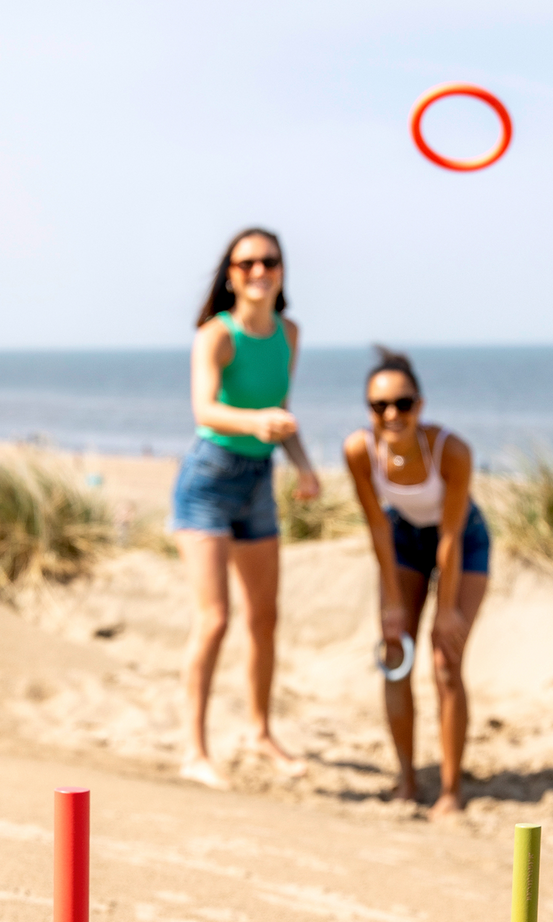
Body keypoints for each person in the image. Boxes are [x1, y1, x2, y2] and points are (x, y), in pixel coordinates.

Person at [169, 227, 320, 790]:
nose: (259, 271)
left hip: (259, 479)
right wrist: (256, 422)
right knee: (215, 620)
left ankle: (259, 731)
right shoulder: (216, 335)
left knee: (265, 617)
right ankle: (194, 749)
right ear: (230, 274)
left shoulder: (290, 333)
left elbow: (281, 410)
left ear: (282, 271)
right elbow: (205, 408)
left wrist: (302, 463)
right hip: (208, 480)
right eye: (247, 262)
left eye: (269, 261)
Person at [343, 349, 491, 816]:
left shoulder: (451, 450)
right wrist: (391, 602)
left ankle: (451, 790)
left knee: (446, 659)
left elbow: (450, 535)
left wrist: (446, 609)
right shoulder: (359, 451)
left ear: (420, 406)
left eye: (402, 404)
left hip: (462, 539)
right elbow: (378, 528)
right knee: (395, 654)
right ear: (368, 410)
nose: (391, 414)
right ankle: (407, 778)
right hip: (403, 538)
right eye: (379, 406)